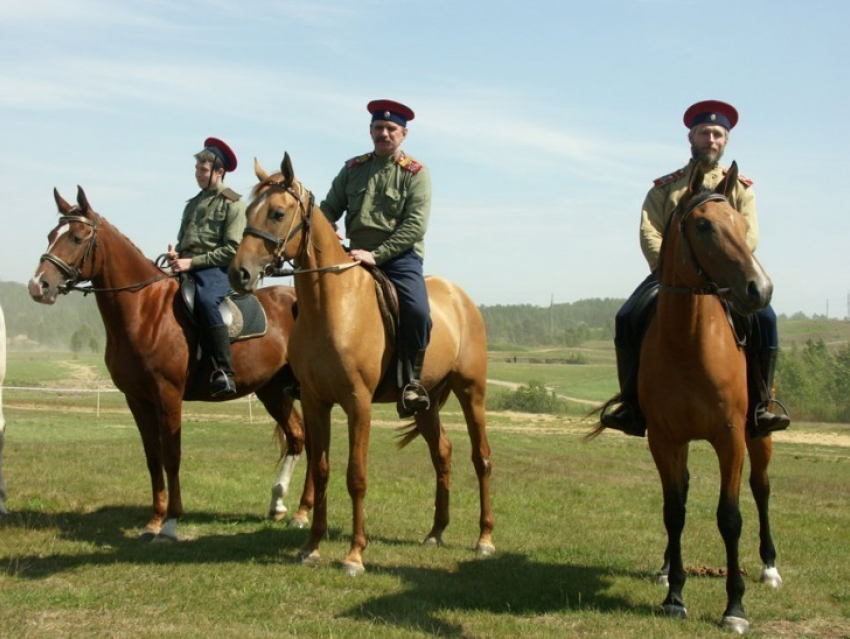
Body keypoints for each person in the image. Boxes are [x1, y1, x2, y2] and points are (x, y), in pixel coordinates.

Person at [602, 100, 790, 439]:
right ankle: (631, 405)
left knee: (766, 319)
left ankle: (762, 406)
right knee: (626, 316)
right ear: (691, 137)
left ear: (726, 141)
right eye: (705, 133)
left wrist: (727, 271)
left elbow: (749, 234)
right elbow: (649, 230)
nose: (711, 140)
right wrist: (668, 267)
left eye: (718, 134)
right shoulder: (665, 188)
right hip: (671, 275)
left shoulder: (740, 188)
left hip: (725, 277)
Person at [319, 99, 433, 416]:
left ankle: (410, 382)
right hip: (354, 253)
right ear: (370, 131)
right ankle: (303, 373)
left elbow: (414, 226)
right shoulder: (353, 169)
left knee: (418, 311)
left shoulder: (415, 173)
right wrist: (326, 227)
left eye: (391, 129)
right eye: (378, 128)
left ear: (403, 134)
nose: (384, 133)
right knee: (310, 301)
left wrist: (377, 254)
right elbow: (328, 208)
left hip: (399, 258)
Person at [168, 137, 246, 397]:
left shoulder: (233, 203)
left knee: (205, 301)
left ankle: (224, 372)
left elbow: (232, 249)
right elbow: (183, 241)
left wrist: (193, 262)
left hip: (219, 270)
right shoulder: (193, 203)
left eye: (203, 170)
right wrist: (176, 255)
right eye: (196, 170)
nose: (198, 175)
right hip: (187, 266)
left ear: (219, 171)